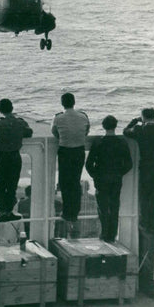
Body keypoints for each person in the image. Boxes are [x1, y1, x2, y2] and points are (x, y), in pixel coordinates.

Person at [0, 98, 34, 222]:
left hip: (2, 157)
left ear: (0, 110)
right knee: (12, 185)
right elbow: (29, 132)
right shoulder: (20, 122)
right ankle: (10, 211)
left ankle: (2, 212)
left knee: (1, 186)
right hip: (15, 157)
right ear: (12, 108)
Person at [85, 115, 133, 242]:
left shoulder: (98, 142)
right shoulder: (121, 142)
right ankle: (112, 234)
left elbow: (89, 164)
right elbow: (129, 164)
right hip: (116, 177)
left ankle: (104, 233)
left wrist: (95, 175)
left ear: (103, 126)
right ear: (115, 126)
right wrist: (119, 173)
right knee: (114, 205)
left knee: (102, 207)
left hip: (101, 178)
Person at [124, 108, 154, 234]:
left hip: (146, 167)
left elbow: (125, 131)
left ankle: (144, 223)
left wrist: (135, 121)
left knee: (144, 196)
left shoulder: (139, 130)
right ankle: (153, 224)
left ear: (143, 117)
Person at [51, 93, 90, 228]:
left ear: (62, 103)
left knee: (65, 181)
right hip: (79, 151)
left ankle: (67, 212)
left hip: (65, 151)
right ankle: (74, 212)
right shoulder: (83, 116)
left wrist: (65, 138)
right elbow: (86, 131)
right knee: (75, 180)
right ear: (74, 102)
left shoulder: (58, 117)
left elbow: (54, 132)